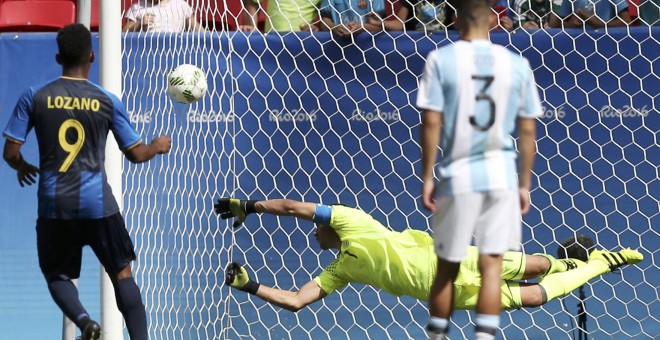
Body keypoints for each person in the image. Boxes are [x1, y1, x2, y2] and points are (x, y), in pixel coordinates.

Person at [2, 24, 171, 340]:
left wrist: (22, 166)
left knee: (57, 276)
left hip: (55, 204)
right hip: (98, 203)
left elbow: (11, 152)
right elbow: (135, 155)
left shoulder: (35, 96)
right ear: (92, 56)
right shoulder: (106, 100)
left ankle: (85, 323)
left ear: (57, 57)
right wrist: (157, 146)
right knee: (122, 273)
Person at [215, 198, 643, 315]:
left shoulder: (353, 220)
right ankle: (599, 263)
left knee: (528, 265)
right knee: (531, 298)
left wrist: (248, 206)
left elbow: (293, 208)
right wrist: (250, 286)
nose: (314, 229)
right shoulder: (340, 269)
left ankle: (589, 261)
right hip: (446, 296)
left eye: (317, 224)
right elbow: (295, 301)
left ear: (332, 224)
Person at [416, 0, 542, 338]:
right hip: (500, 175)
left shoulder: (440, 59)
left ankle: (437, 336)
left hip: (458, 176)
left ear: (455, 18)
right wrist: (524, 184)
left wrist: (427, 176)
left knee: (447, 270)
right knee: (492, 267)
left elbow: (431, 121)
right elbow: (528, 130)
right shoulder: (516, 64)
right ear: (491, 18)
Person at [123, 0, 205, 32]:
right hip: (147, 54)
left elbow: (199, 30)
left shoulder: (180, 5)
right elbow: (123, 32)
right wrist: (139, 23)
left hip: (176, 51)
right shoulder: (137, 7)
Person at [240, 0, 323, 32]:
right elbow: (252, 2)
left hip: (304, 42)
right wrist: (252, 28)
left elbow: (328, 15)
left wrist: (316, 27)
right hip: (272, 41)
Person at [317, 0, 388, 37]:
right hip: (338, 46)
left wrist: (360, 27)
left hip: (368, 44)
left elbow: (381, 26)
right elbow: (323, 23)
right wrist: (334, 27)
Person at [547, 0, 632, 28]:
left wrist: (596, 23)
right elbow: (560, 23)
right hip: (577, 42)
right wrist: (571, 24)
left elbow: (626, 21)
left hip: (606, 41)